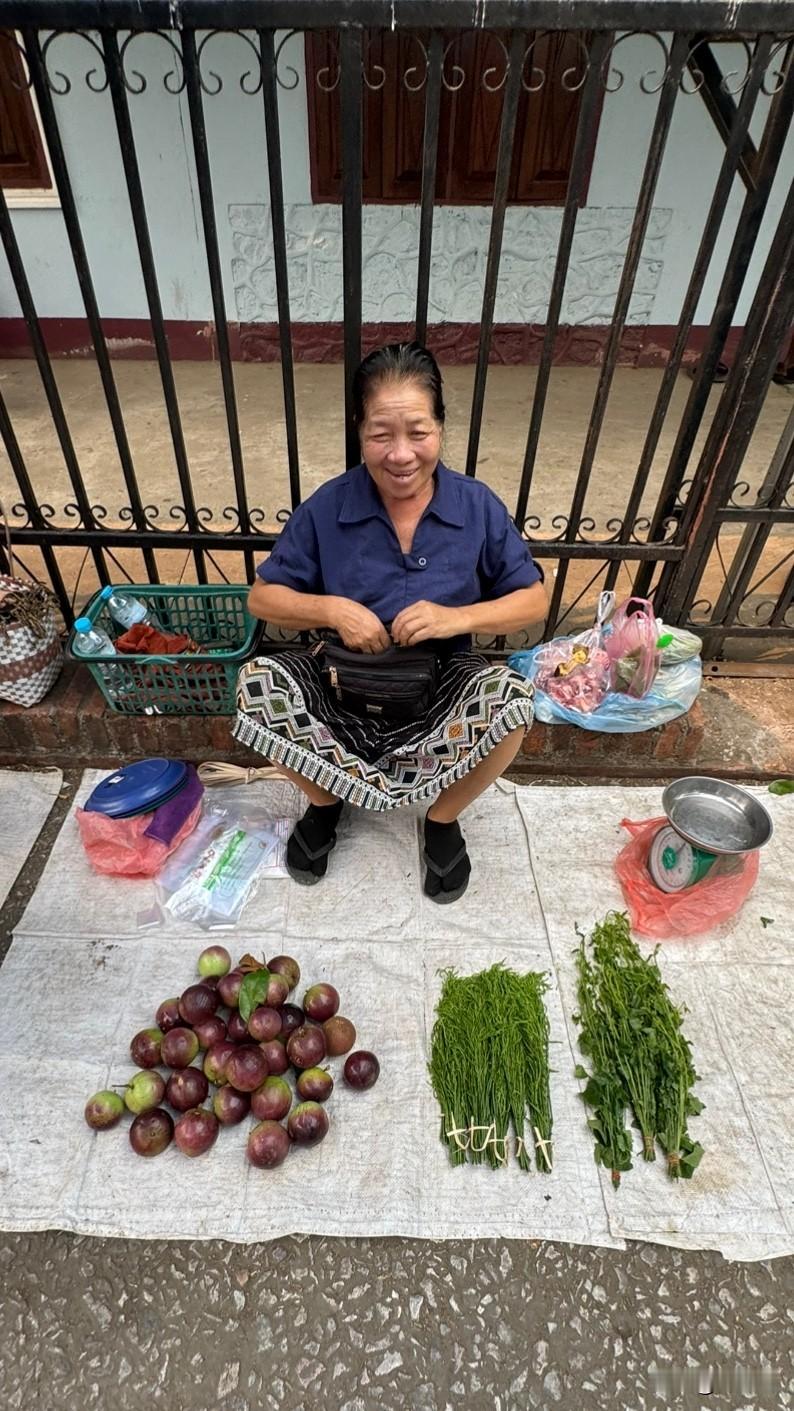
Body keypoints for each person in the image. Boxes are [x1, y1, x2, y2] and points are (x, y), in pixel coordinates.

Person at [235, 342, 547, 903]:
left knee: (512, 702)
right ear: (359, 432)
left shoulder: (476, 506)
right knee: (257, 686)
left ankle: (442, 819)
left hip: (441, 682)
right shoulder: (329, 506)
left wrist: (455, 617)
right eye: (381, 434)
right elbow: (263, 598)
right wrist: (332, 609)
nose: (401, 454)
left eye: (418, 432)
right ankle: (327, 803)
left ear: (441, 428)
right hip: (342, 679)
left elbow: (532, 601)